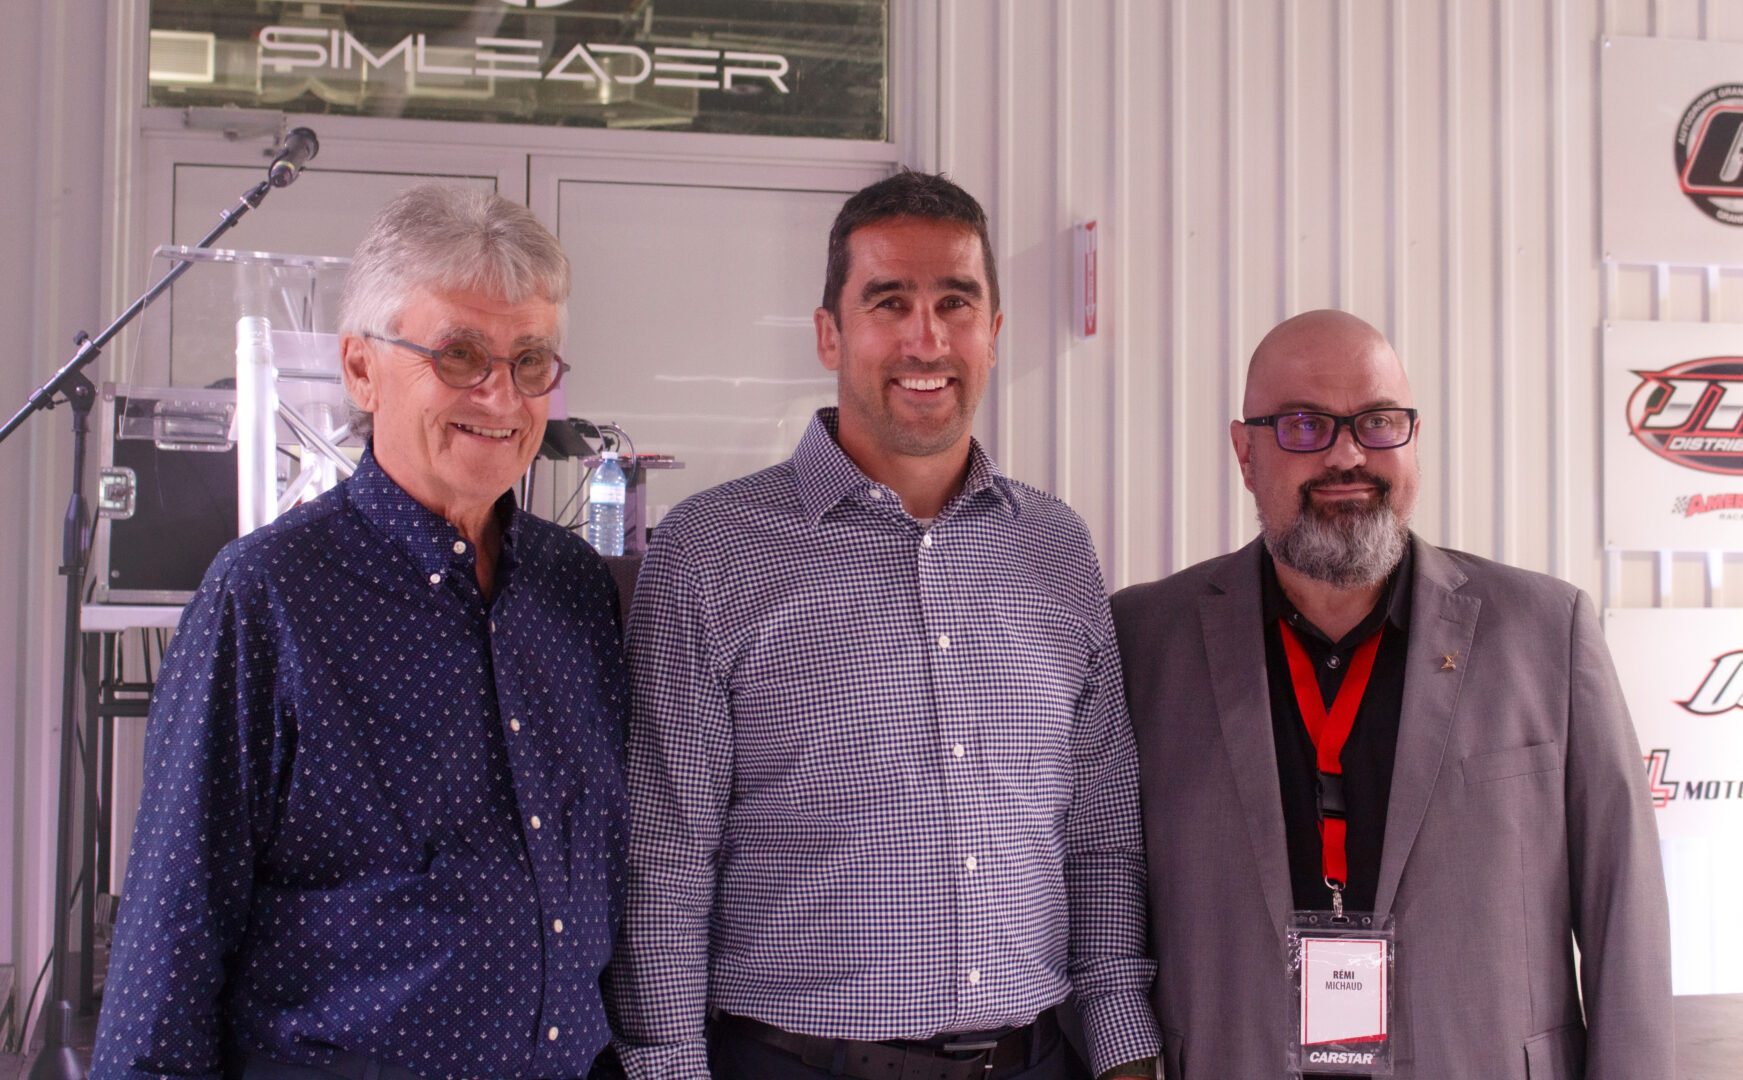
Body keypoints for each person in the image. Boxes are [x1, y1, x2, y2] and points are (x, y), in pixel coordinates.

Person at [607, 170, 1159, 1080]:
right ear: (830, 331)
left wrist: (1122, 1051)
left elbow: (1098, 836)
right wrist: (666, 1065)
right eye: (888, 300)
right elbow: (664, 855)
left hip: (1036, 1058)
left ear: (992, 333)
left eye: (955, 301)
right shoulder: (712, 551)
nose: (924, 336)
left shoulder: (1056, 546)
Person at [91, 184, 629, 1080]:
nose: (501, 392)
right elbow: (171, 934)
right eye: (459, 354)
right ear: (359, 368)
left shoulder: (573, 591)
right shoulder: (267, 596)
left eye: (532, 359)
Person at [1111, 309, 1673, 1079]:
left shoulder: (1547, 630)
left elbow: (1624, 912)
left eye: (1377, 422)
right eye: (1304, 425)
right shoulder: (1143, 639)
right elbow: (1102, 890)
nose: (1347, 455)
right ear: (1244, 452)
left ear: (1411, 438)